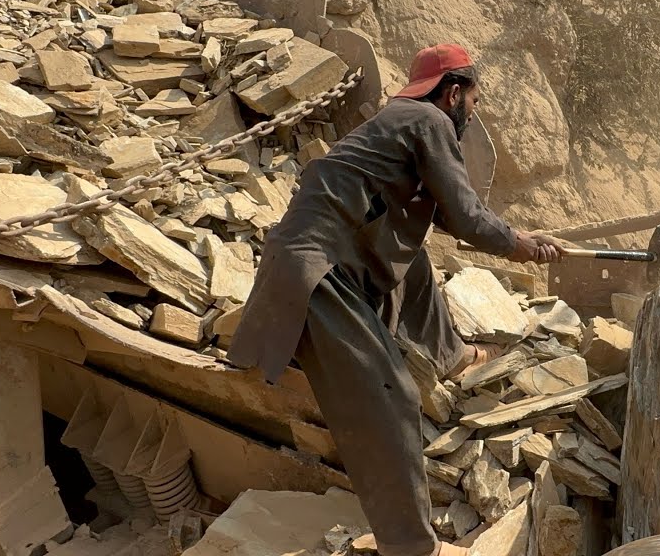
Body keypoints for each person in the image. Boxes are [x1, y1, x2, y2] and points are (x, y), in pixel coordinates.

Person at [228, 44, 567, 556]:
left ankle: (452, 353)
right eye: (473, 103)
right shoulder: (431, 120)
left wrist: (521, 238)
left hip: (314, 256)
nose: (471, 114)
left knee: (414, 255)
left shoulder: (399, 119)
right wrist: (518, 246)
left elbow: (449, 215)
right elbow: (468, 216)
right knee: (393, 399)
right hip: (318, 272)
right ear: (453, 93)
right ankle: (411, 546)